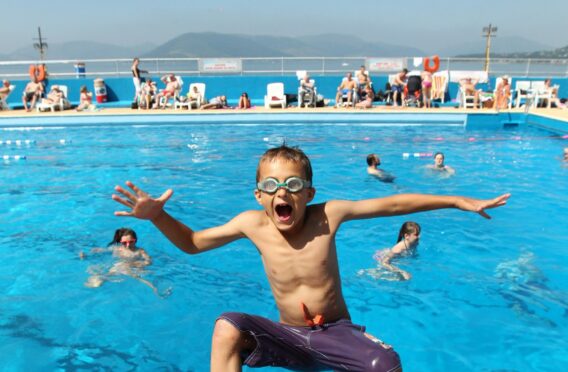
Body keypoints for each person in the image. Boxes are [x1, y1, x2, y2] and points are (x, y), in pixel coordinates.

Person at [111, 144, 510, 371]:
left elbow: (392, 205)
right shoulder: (252, 223)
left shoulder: (328, 215)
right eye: (271, 185)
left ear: (310, 193)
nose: (281, 193)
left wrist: (457, 200)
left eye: (293, 184)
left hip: (334, 333)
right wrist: (158, 215)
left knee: (385, 365)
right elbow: (193, 243)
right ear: (258, 196)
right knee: (227, 327)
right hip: (286, 336)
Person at [82, 228, 163, 295]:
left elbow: (149, 261)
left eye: (131, 242)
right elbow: (104, 251)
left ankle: (155, 289)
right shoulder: (117, 248)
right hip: (118, 266)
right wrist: (86, 255)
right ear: (120, 242)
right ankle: (96, 279)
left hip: (132, 268)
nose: (128, 245)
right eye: (124, 243)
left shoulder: (140, 251)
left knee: (142, 280)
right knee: (102, 278)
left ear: (135, 240)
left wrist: (138, 264)